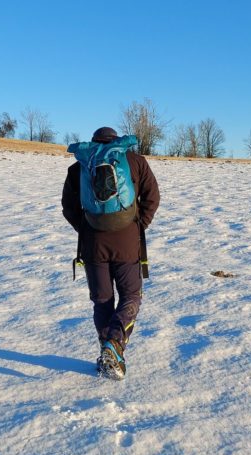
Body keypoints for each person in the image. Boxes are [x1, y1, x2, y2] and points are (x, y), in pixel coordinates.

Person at [62, 126, 160, 379]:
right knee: (131, 296)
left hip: (93, 244)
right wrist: (138, 225)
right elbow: (153, 197)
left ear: (92, 143)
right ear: (116, 141)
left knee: (102, 300)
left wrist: (86, 229)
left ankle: (109, 353)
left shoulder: (79, 167)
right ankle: (114, 346)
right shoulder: (135, 161)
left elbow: (68, 207)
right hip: (128, 242)